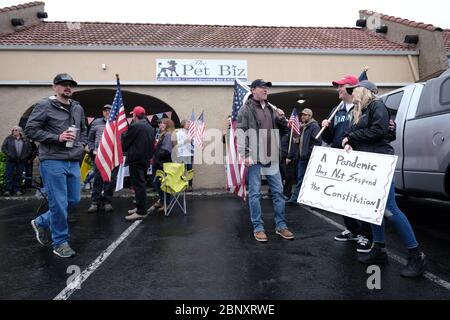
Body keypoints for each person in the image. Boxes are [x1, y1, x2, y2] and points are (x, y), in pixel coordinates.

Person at [343, 80, 426, 278]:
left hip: (379, 161)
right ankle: (378, 249)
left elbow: (379, 131)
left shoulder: (377, 105)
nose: (351, 94)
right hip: (367, 162)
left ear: (363, 91)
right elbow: (358, 133)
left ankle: (416, 254)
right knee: (373, 207)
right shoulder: (360, 111)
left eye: (354, 90)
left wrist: (352, 137)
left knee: (389, 208)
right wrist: (349, 140)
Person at [25, 73, 87, 258]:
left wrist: (81, 145)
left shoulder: (77, 107)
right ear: (54, 87)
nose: (67, 87)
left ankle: (42, 221)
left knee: (73, 200)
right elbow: (30, 130)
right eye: (63, 84)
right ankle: (60, 242)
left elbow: (83, 130)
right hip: (52, 160)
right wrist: (57, 138)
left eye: (70, 85)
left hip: (73, 160)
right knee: (59, 203)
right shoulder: (45, 105)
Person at [320, 75, 373, 253]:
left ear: (350, 87)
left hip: (358, 158)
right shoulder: (337, 109)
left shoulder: (362, 108)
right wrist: (326, 128)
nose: (338, 90)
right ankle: (352, 229)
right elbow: (329, 138)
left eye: (340, 86)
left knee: (359, 197)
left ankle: (366, 234)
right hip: (340, 158)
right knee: (343, 197)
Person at [237, 79, 294, 242]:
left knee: (278, 192)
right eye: (262, 87)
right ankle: (258, 227)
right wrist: (245, 154)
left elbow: (285, 130)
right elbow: (240, 133)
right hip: (254, 157)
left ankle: (281, 226)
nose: (265, 90)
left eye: (266, 88)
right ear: (253, 90)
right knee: (255, 194)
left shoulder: (272, 109)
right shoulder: (245, 110)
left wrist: (282, 119)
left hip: (272, 157)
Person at [123, 106, 155, 221]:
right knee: (140, 184)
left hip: (136, 159)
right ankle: (139, 207)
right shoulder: (150, 127)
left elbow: (124, 143)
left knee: (139, 185)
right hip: (145, 160)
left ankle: (141, 211)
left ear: (135, 115)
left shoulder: (135, 126)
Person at [285, 108, 321, 205]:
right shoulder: (302, 127)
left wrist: (308, 153)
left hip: (309, 158)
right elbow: (297, 143)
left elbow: (318, 142)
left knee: (306, 179)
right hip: (301, 158)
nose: (303, 116)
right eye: (302, 115)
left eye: (305, 115)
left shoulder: (314, 126)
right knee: (301, 179)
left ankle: (295, 199)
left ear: (310, 116)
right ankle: (301, 199)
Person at [87, 104, 117, 213]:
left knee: (109, 180)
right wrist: (91, 150)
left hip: (111, 157)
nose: (107, 112)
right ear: (102, 112)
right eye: (105, 110)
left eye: (109, 110)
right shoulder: (95, 123)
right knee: (97, 179)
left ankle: (107, 202)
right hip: (98, 156)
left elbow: (120, 140)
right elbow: (89, 139)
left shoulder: (117, 123)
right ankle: (95, 202)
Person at [148, 118, 175, 214]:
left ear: (168, 125)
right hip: (160, 164)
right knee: (158, 184)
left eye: (163, 123)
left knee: (160, 184)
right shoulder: (163, 135)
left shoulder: (167, 135)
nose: (160, 125)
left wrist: (155, 156)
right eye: (160, 123)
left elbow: (166, 150)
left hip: (163, 164)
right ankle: (162, 201)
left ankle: (166, 204)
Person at [1, 126, 32, 196]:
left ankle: (17, 190)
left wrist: (25, 156)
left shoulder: (25, 139)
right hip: (10, 160)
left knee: (19, 175)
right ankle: (8, 190)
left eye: (15, 130)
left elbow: (29, 149)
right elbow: (3, 148)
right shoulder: (8, 138)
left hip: (21, 160)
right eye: (13, 130)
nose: (13, 131)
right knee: (9, 174)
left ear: (20, 131)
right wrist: (9, 155)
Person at [175, 119, 193, 190]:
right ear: (183, 124)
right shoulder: (178, 132)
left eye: (189, 124)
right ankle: (182, 186)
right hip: (182, 154)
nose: (188, 125)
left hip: (189, 154)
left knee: (189, 170)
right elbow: (177, 143)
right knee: (182, 171)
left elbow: (191, 144)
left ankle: (190, 186)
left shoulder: (190, 133)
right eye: (187, 124)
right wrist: (185, 141)